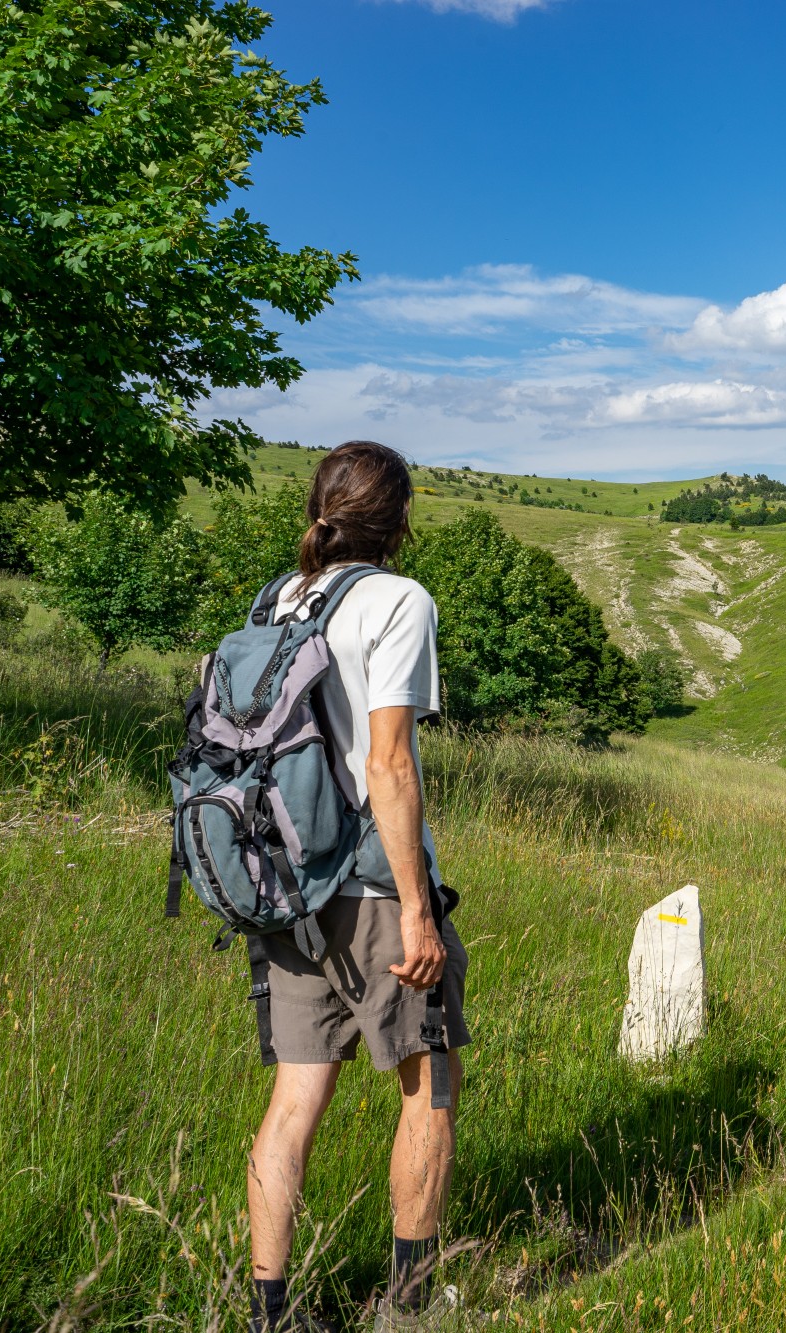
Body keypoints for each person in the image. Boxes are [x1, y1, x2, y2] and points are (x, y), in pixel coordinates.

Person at [244, 441, 469, 1331]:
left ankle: (269, 1312)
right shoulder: (399, 602)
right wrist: (419, 909)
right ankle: (408, 1308)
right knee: (430, 1084)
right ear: (400, 518)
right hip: (374, 886)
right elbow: (388, 762)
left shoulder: (276, 598)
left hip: (284, 883)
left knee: (296, 1098)